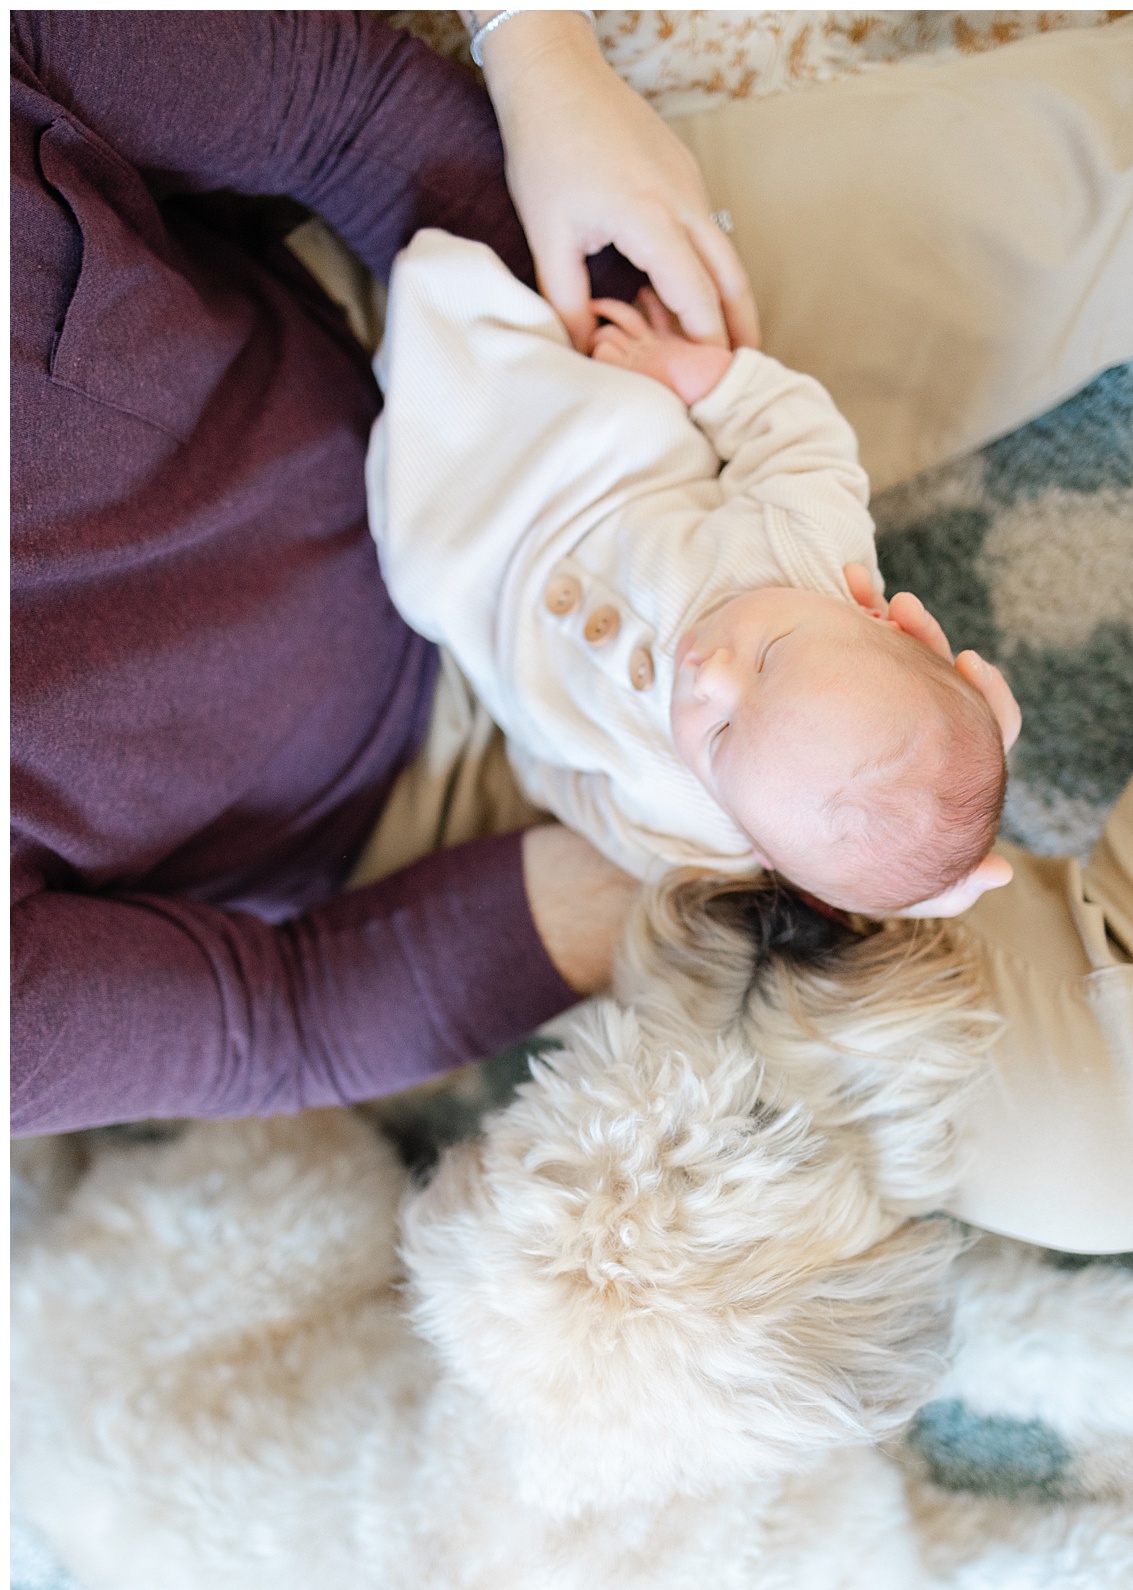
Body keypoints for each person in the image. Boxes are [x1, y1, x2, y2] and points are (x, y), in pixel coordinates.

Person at [11, 9, 740, 1136]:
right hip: (412, 827)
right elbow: (278, 1017)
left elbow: (337, 116)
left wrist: (605, 367)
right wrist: (694, 876)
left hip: (451, 373)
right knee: (1095, 1142)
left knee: (1085, 185)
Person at [368, 230, 1018, 916]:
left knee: (421, 573)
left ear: (761, 849)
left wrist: (536, 743)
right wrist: (685, 369)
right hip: (589, 468)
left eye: (720, 740)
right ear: (873, 614)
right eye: (770, 658)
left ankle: (389, 400)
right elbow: (792, 428)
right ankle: (428, 316)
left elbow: (598, 807)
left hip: (490, 596)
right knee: (497, 335)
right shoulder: (814, 551)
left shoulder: (706, 830)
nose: (708, 676)